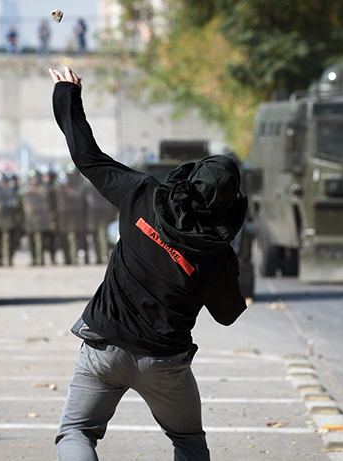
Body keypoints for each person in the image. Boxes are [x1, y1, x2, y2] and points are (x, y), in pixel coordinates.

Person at [49, 66, 248, 460]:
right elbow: (227, 315)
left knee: (76, 433)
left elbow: (87, 157)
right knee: (188, 442)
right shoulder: (217, 255)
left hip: (103, 349)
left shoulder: (143, 194)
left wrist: (67, 94)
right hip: (164, 362)